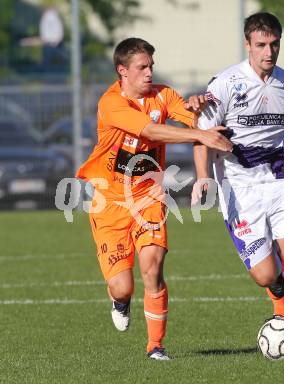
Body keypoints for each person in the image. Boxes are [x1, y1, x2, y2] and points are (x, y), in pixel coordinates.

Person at [76, 37, 232, 361]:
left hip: (149, 196)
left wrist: (198, 110)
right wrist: (200, 134)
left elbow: (194, 119)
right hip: (111, 202)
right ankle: (120, 300)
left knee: (152, 267)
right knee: (123, 286)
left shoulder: (163, 94)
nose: (149, 73)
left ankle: (155, 347)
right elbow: (150, 131)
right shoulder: (111, 104)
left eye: (151, 66)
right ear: (122, 71)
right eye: (141, 67)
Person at [191, 13, 284, 359]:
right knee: (266, 274)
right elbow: (202, 136)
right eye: (261, 45)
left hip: (280, 181)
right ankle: (278, 293)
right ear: (248, 45)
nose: (268, 52)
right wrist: (203, 177)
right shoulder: (225, 84)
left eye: (273, 45)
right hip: (239, 189)